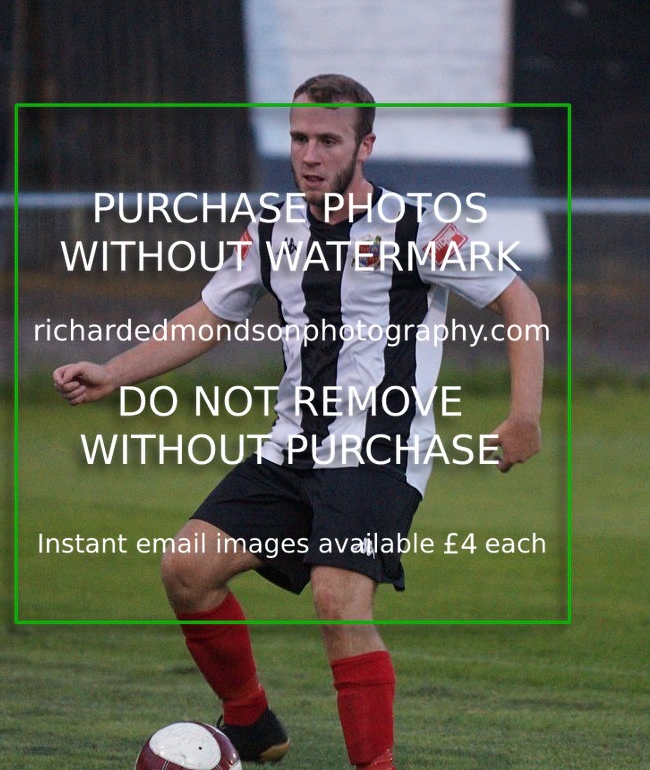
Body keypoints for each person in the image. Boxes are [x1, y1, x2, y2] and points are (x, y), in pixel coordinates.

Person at [53, 74, 543, 769]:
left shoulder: (415, 227)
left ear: (364, 146)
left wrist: (524, 415)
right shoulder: (275, 226)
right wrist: (114, 370)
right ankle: (251, 724)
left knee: (338, 600)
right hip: (293, 449)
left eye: (328, 141)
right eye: (299, 139)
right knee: (187, 570)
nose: (309, 155)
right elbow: (210, 315)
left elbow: (518, 302)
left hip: (379, 448)